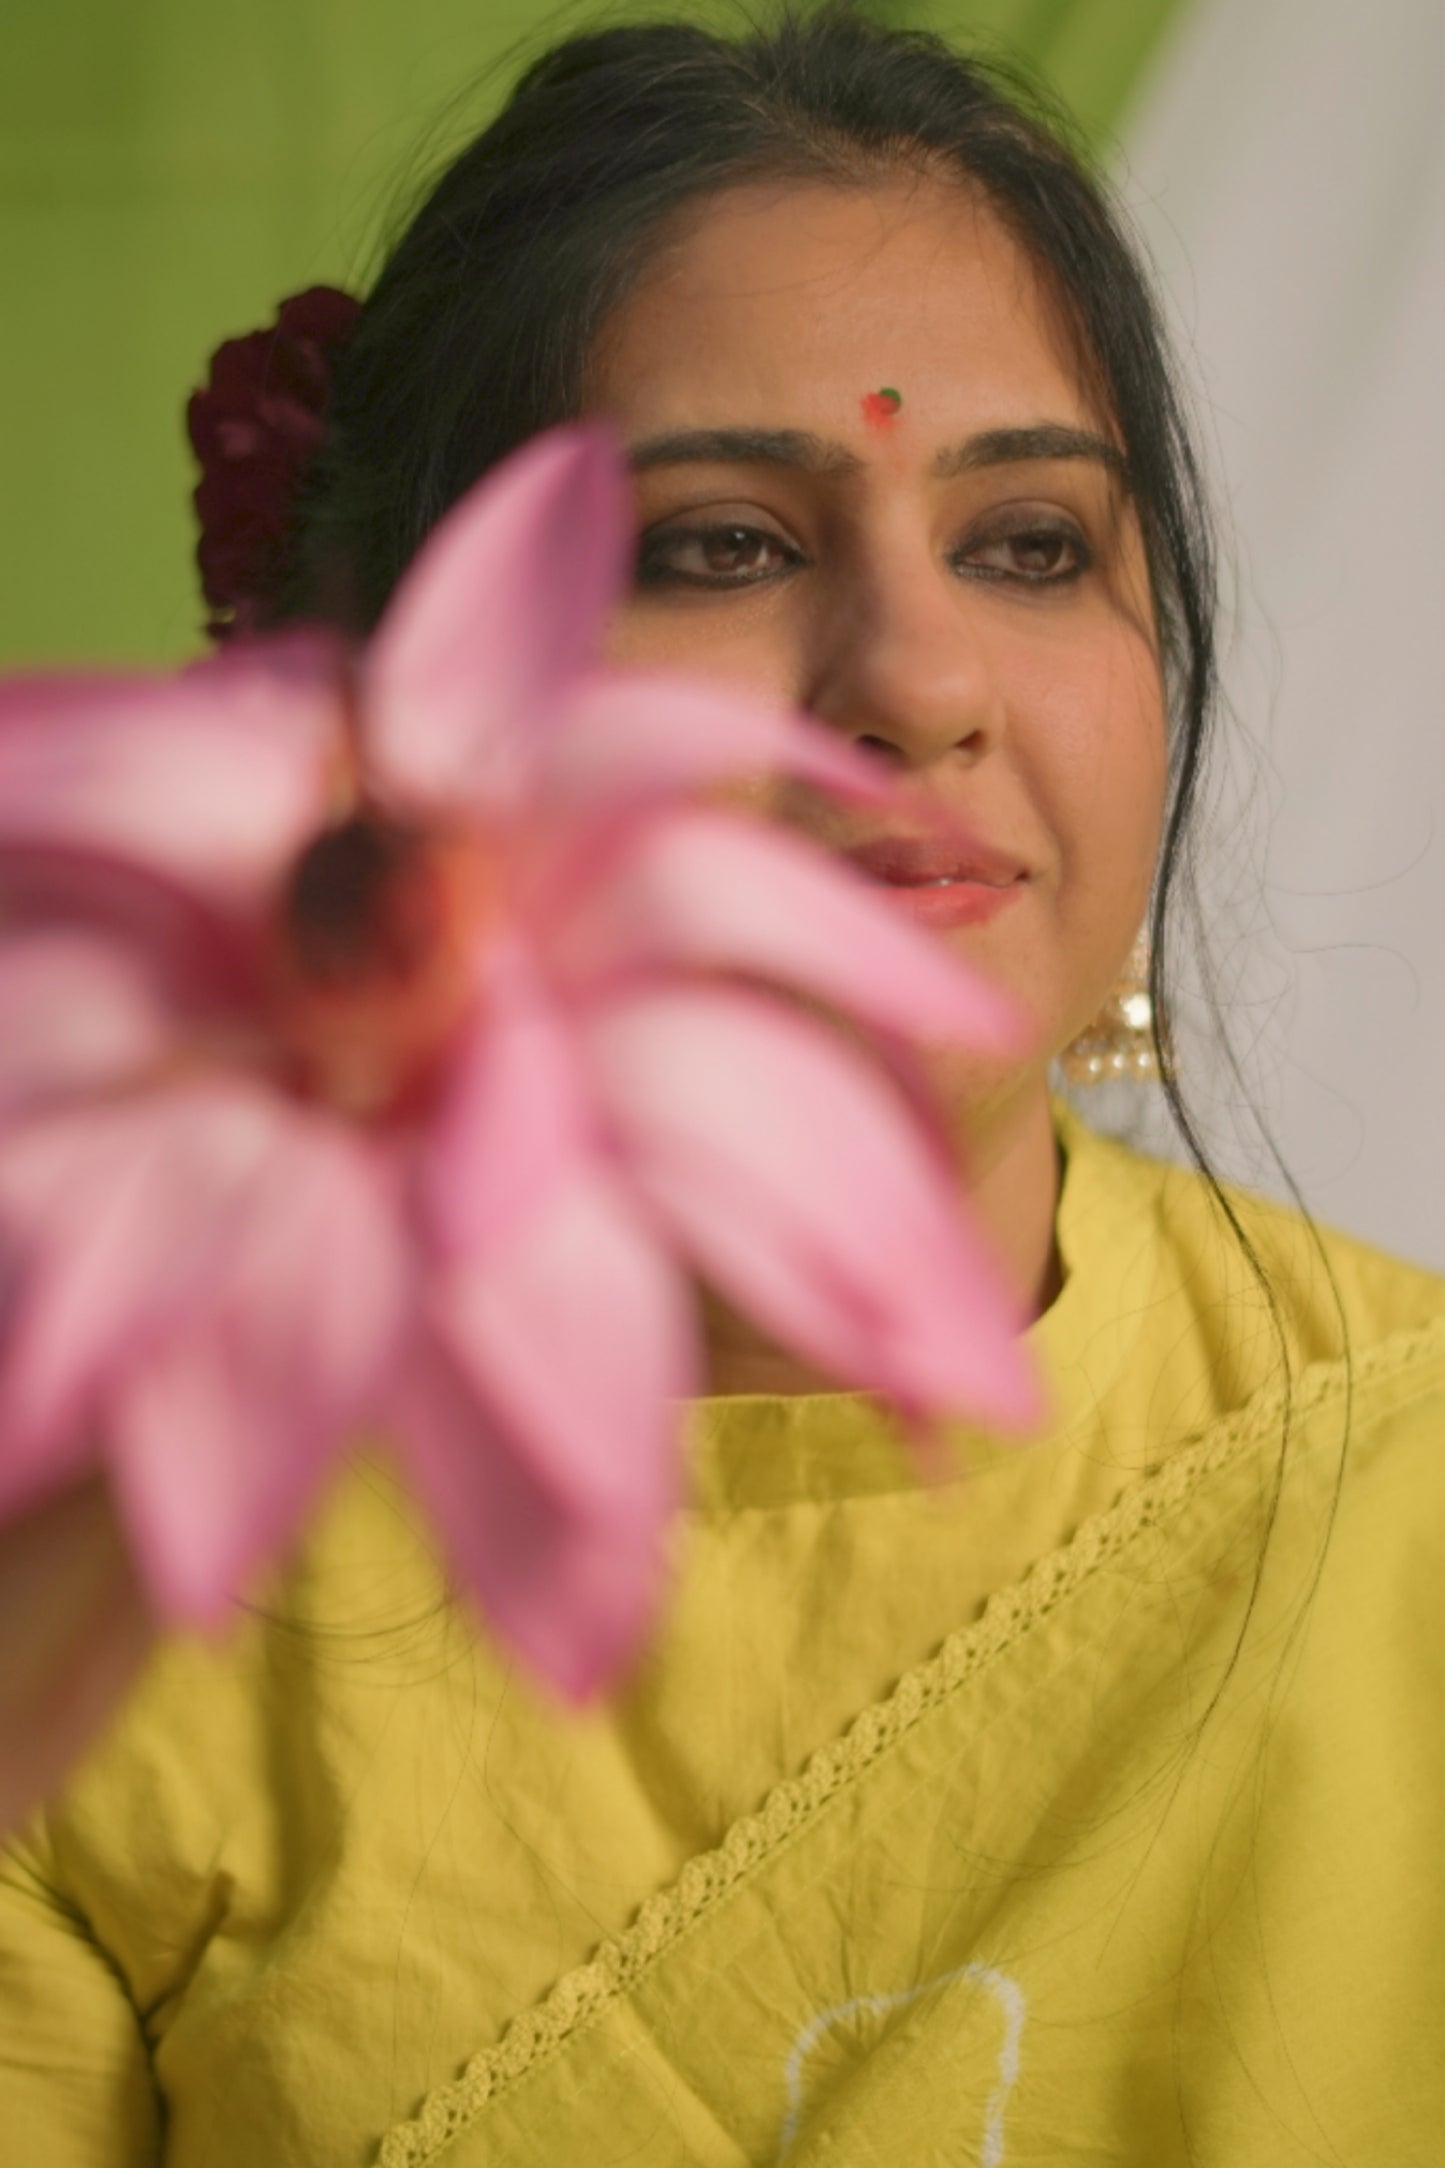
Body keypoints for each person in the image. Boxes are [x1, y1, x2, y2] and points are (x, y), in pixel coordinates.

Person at [2, 9, 1442, 2162]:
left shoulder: (1408, 1487)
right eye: (727, 545)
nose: (922, 678)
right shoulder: (108, 1581)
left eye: (1033, 542)